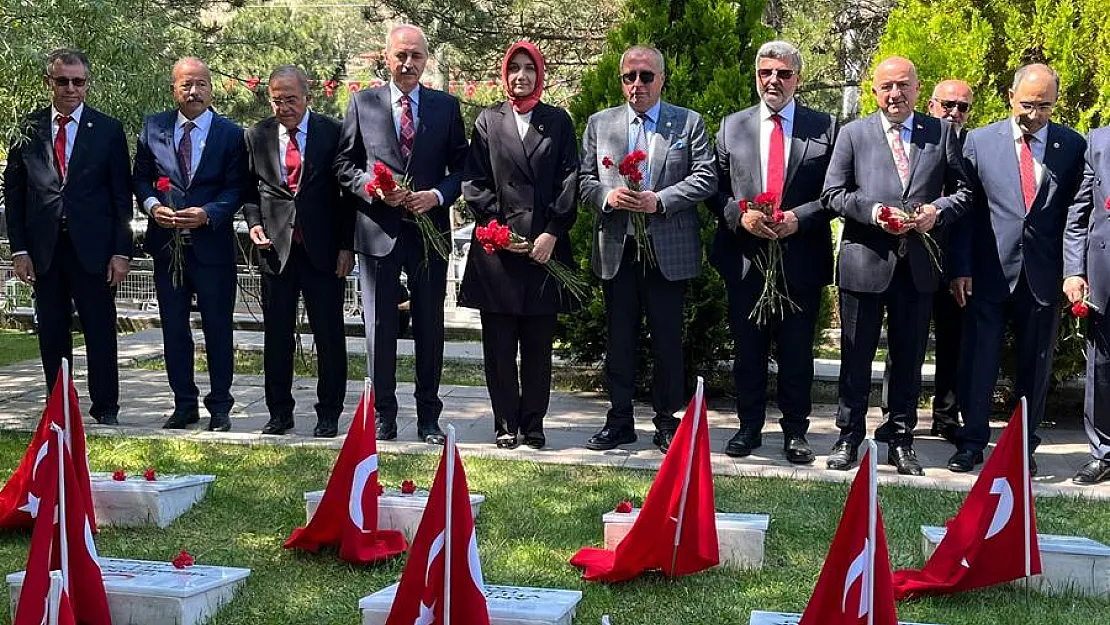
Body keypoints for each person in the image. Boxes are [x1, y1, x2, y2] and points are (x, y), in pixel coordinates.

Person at [822, 56, 971, 475]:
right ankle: (848, 436)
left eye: (903, 85)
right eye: (886, 86)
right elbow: (833, 194)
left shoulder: (939, 133)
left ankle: (901, 439)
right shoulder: (853, 134)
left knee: (908, 358)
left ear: (918, 89)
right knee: (856, 357)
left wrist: (936, 212)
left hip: (918, 267)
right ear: (874, 91)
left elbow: (964, 192)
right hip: (865, 262)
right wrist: (874, 212)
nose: (895, 94)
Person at [334, 24, 469, 445]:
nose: (408, 64)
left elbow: (463, 169)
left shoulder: (446, 107)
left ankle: (429, 416)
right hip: (378, 232)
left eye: (416, 56)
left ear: (426, 59)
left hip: (429, 234)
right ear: (386, 58)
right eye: (401, 56)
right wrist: (373, 190)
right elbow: (343, 164)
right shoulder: (362, 102)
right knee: (379, 326)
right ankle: (383, 416)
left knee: (430, 326)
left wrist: (437, 195)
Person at [579, 45, 716, 453]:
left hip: (668, 247)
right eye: (629, 77)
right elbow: (584, 179)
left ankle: (667, 420)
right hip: (618, 246)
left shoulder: (687, 123)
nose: (637, 84)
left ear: (661, 79)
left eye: (645, 76)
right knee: (619, 338)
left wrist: (662, 200)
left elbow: (706, 176)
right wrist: (608, 196)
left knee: (668, 340)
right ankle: (619, 419)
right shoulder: (600, 124)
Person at [951, 64, 1085, 473]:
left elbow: (1075, 214)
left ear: (1055, 102)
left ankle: (1021, 448)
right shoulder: (979, 142)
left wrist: (1072, 270)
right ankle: (971, 443)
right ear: (1011, 97)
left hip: (1043, 276)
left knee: (1036, 367)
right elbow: (966, 210)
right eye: (1027, 104)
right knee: (979, 361)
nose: (1034, 115)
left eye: (1044, 106)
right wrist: (961, 267)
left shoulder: (1071, 146)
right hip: (990, 271)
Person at [710, 41, 837, 464]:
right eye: (766, 72)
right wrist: (739, 216)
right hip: (746, 258)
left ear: (797, 78)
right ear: (757, 75)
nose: (773, 81)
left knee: (796, 352)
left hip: (800, 257)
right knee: (749, 350)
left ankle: (795, 432)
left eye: (783, 74)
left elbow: (836, 193)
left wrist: (800, 217)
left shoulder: (825, 128)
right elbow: (716, 190)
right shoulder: (732, 127)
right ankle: (748, 427)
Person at [458, 42, 579, 450]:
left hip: (543, 250)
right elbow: (474, 181)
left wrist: (551, 233)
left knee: (538, 345)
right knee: (499, 344)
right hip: (499, 249)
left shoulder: (557, 121)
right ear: (504, 73)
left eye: (529, 68)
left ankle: (534, 422)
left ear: (539, 73)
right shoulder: (488, 120)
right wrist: (497, 228)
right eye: (514, 68)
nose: (521, 76)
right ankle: (505, 422)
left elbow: (569, 179)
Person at [3, 48, 132, 425]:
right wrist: (20, 249)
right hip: (45, 249)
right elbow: (14, 194)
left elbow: (121, 196)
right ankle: (58, 406)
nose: (71, 88)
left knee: (100, 330)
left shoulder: (108, 130)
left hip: (93, 249)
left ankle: (106, 407)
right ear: (50, 83)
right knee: (53, 331)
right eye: (63, 81)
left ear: (87, 84)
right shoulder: (28, 129)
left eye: (78, 81)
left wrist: (121, 252)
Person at [133, 57, 247, 432]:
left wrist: (210, 213)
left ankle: (220, 406)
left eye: (200, 84)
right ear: (174, 90)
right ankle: (184, 404)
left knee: (218, 327)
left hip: (211, 246)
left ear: (211, 88)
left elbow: (237, 188)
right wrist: (152, 206)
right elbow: (142, 178)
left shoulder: (231, 134)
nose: (193, 91)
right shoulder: (154, 127)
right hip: (167, 247)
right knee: (173, 329)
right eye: (186, 84)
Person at [242, 65, 355, 438]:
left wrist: (345, 246)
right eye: (277, 99)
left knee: (328, 334)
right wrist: (254, 221)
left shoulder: (333, 132)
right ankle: (279, 412)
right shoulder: (256, 135)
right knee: (276, 336)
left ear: (308, 97)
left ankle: (329, 412)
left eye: (291, 99)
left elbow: (346, 197)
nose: (284, 106)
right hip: (276, 250)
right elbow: (249, 189)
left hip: (322, 250)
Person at [878, 79, 975, 444]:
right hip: (908, 259)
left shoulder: (972, 147)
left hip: (951, 262)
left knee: (952, 341)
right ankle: (894, 414)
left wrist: (962, 267)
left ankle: (946, 415)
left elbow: (969, 214)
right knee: (903, 341)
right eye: (947, 104)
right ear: (930, 104)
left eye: (962, 107)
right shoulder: (914, 139)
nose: (954, 112)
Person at [1065, 122, 1110, 484]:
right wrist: (1074, 270)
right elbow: (1079, 214)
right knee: (1102, 368)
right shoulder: (1098, 140)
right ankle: (1103, 453)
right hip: (1104, 275)